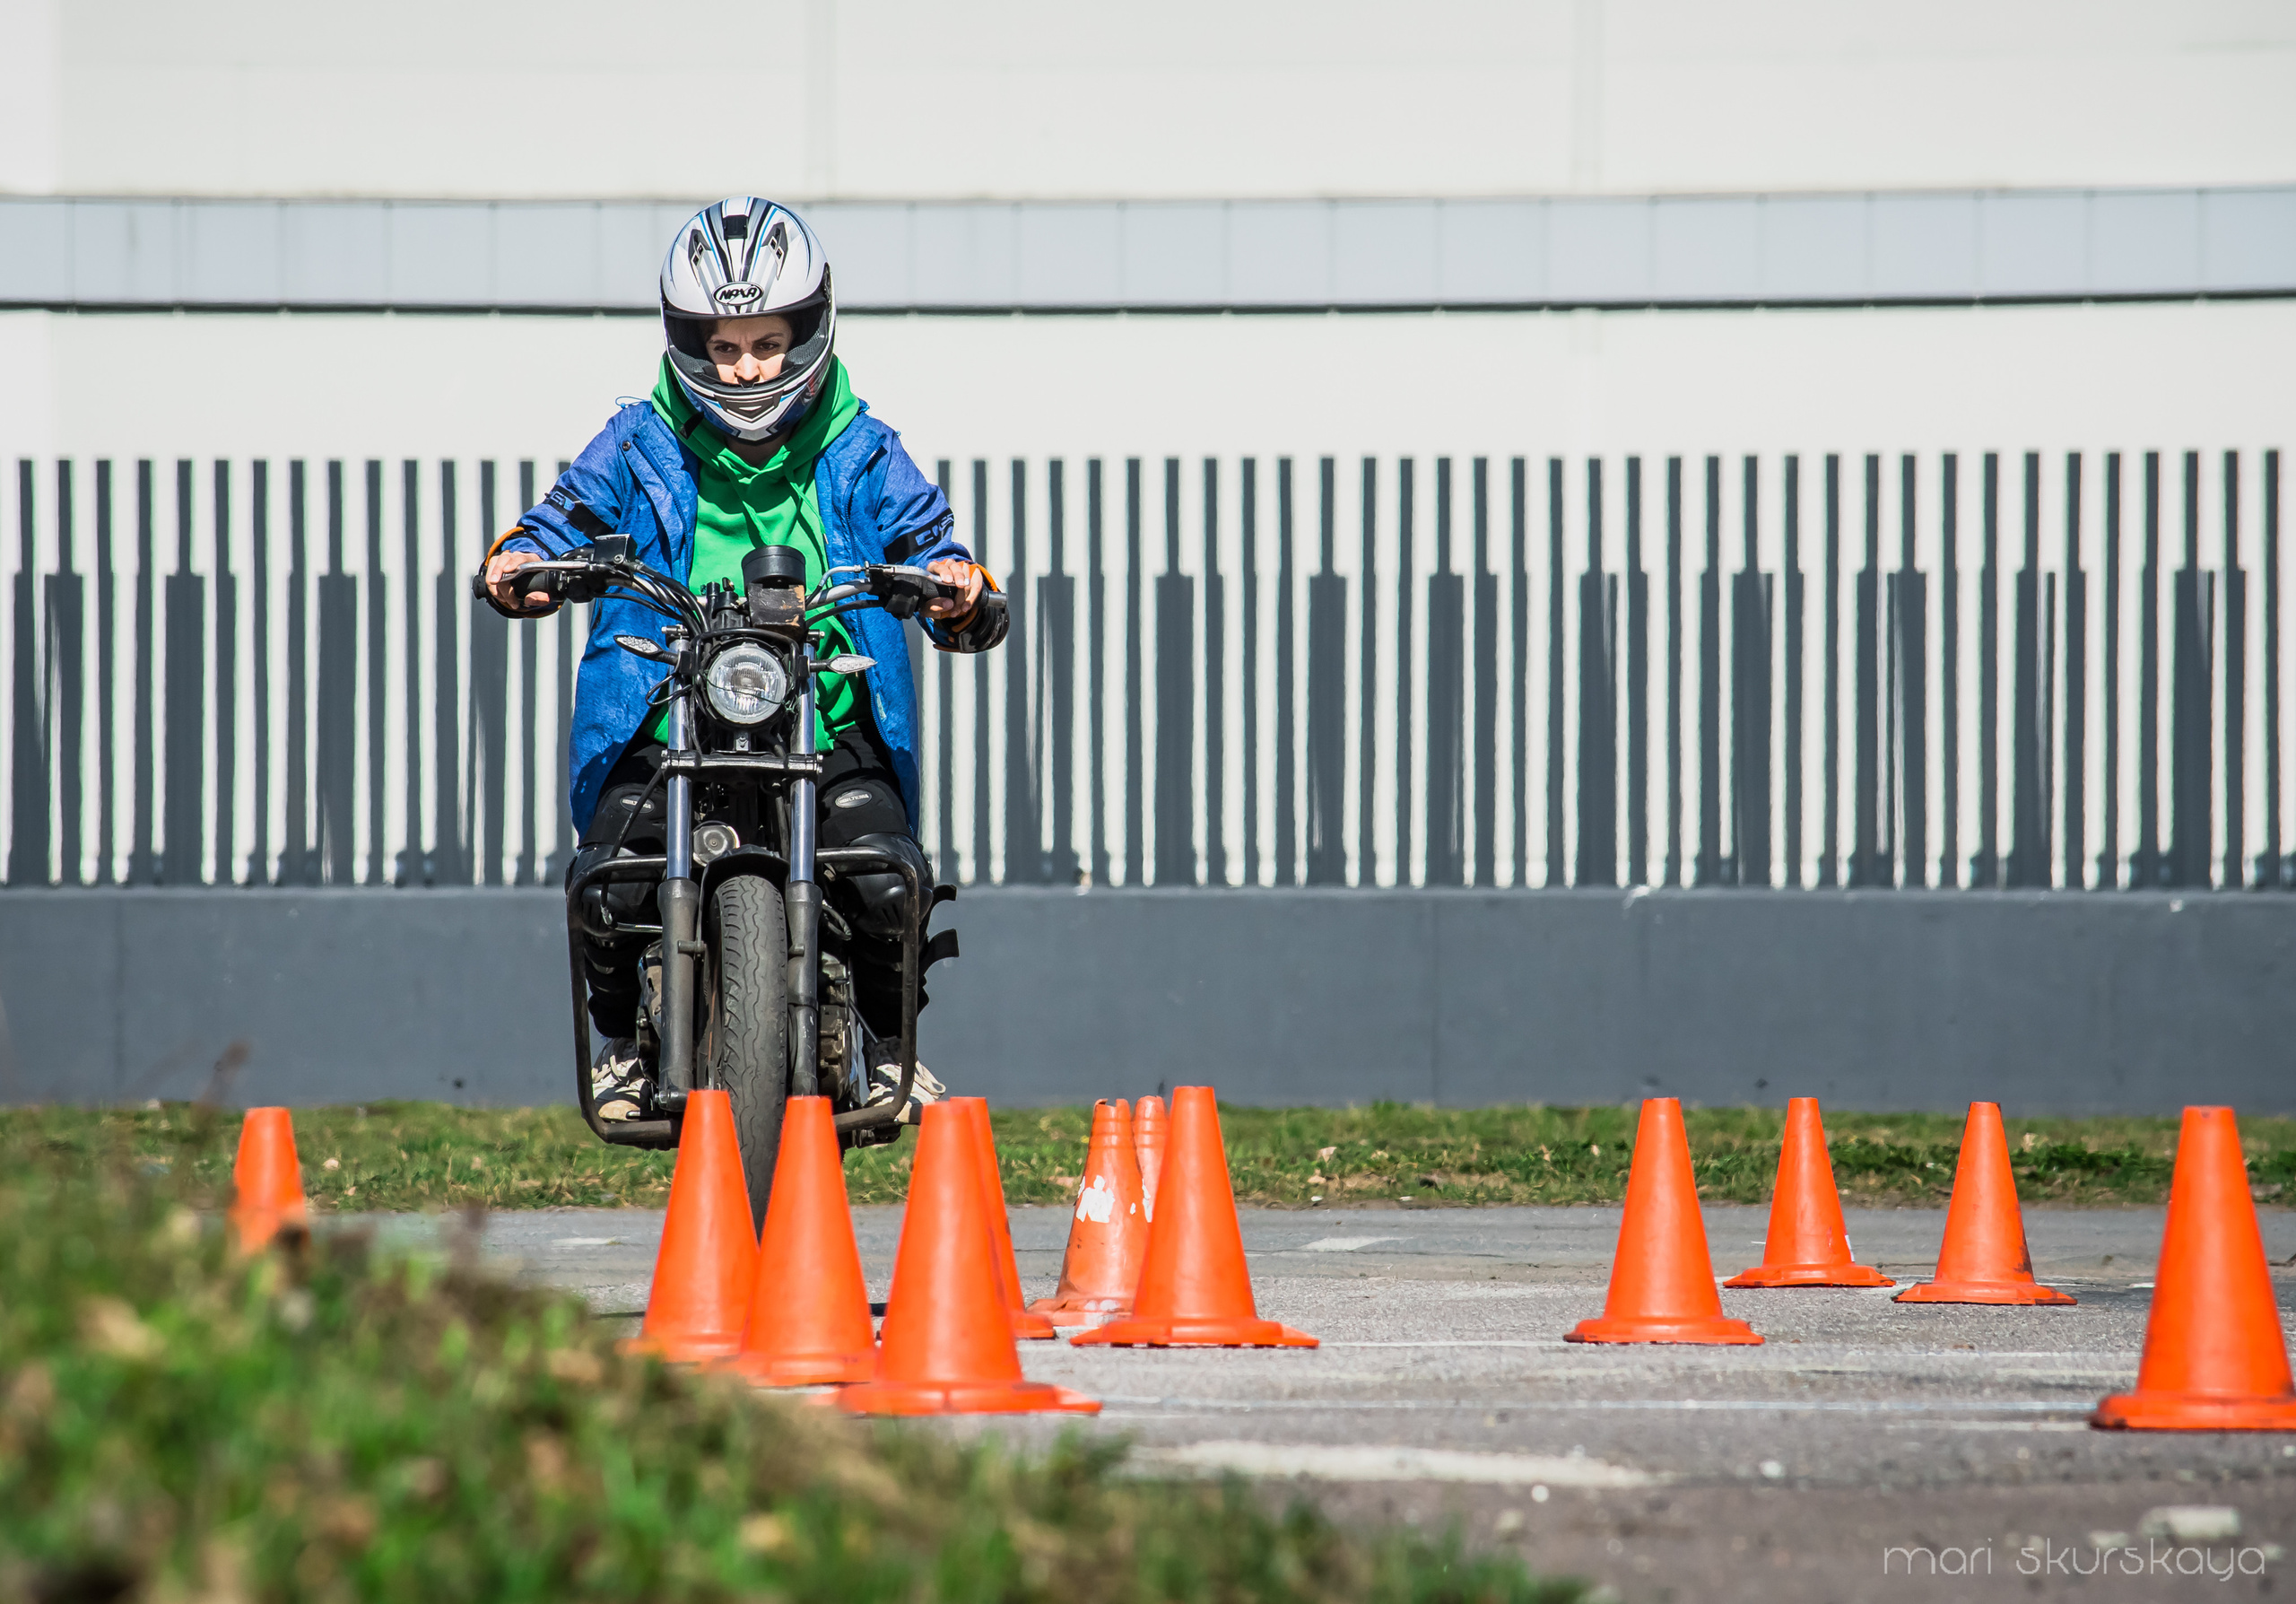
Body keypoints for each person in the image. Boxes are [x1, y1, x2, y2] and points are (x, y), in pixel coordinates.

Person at [479, 196, 1004, 1121]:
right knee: (610, 879)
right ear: (687, 343)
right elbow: (561, 516)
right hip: (663, 698)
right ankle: (622, 1047)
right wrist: (522, 557)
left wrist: (955, 586)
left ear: (809, 332)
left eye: (764, 343)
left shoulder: (861, 447)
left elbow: (929, 543)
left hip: (827, 704)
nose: (746, 367)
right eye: (722, 348)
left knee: (884, 875)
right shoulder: (638, 439)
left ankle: (885, 1042)